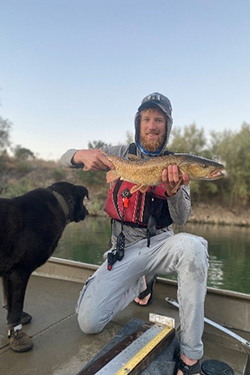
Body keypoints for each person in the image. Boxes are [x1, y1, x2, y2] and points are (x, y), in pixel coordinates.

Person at [60, 92, 208, 375]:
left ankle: (190, 355)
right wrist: (81, 155)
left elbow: (182, 218)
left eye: (159, 120)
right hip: (123, 247)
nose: (152, 126)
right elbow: (65, 157)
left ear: (167, 126)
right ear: (138, 123)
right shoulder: (117, 152)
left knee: (194, 247)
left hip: (161, 244)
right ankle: (141, 282)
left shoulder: (176, 164)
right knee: (89, 323)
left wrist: (174, 191)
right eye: (147, 119)